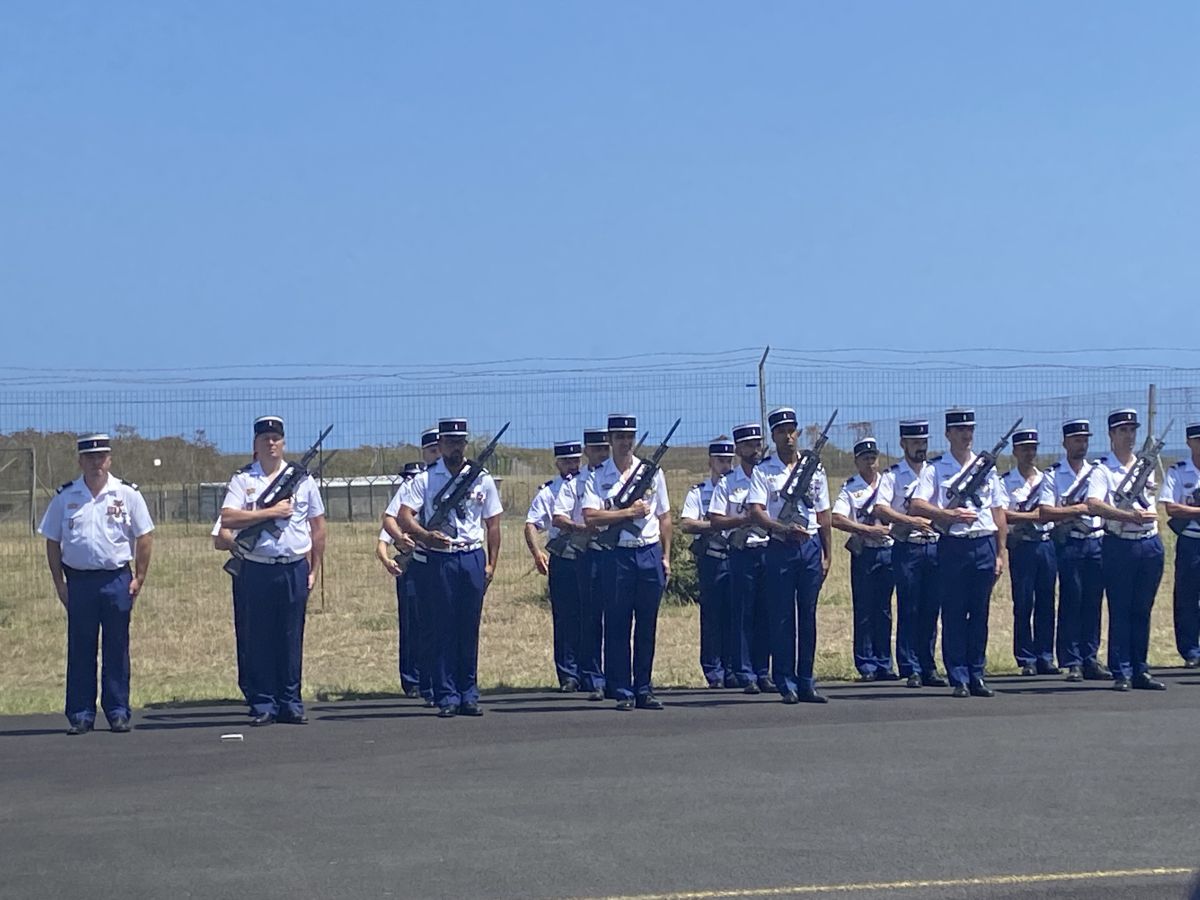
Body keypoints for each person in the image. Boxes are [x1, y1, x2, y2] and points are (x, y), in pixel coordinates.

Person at [39, 433, 154, 735]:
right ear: (80, 461)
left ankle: (117, 711)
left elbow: (144, 536)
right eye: (89, 457)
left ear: (110, 459)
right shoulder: (66, 497)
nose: (96, 463)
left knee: (117, 647)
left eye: (101, 457)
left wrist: (139, 576)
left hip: (116, 578)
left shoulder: (127, 494)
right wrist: (58, 582)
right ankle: (81, 713)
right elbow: (52, 540)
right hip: (79, 582)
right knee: (81, 648)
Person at [220, 416, 326, 726]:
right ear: (255, 444)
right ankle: (263, 702)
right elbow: (227, 518)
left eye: (276, 438)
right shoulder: (243, 480)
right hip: (257, 568)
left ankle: (290, 701)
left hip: (293, 567)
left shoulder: (302, 480)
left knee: (291, 636)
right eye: (265, 438)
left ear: (283, 442)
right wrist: (270, 512)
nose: (271, 443)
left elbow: (318, 528)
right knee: (259, 636)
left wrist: (313, 569)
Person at [397, 417, 503, 717]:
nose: (455, 447)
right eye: (450, 442)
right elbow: (405, 516)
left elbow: (493, 524)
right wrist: (424, 536)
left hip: (471, 556)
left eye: (460, 442)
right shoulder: (425, 479)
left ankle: (468, 693)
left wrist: (492, 563)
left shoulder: (481, 478)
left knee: (468, 627)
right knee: (442, 627)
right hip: (439, 559)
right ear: (440, 445)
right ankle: (446, 695)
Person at [909, 408, 1008, 698]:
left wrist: (1001, 553)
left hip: (983, 543)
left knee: (980, 613)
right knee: (953, 612)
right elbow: (916, 504)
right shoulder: (935, 469)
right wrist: (946, 513)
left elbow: (998, 512)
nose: (967, 435)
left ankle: (977, 673)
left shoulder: (986, 468)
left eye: (970, 430)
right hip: (953, 544)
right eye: (961, 430)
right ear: (948, 434)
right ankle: (959, 676)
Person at [582, 414, 672, 710]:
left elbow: (664, 517)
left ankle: (643, 687)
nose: (625, 442)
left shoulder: (651, 472)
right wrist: (626, 514)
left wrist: (666, 556)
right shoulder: (597, 476)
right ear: (609, 440)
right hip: (616, 555)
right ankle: (621, 689)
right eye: (619, 436)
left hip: (647, 552)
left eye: (629, 436)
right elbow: (591, 516)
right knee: (618, 624)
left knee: (647, 623)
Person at [746, 407, 833, 704]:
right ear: (774, 435)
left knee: (807, 615)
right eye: (781, 431)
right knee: (782, 617)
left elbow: (823, 513)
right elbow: (756, 511)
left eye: (792, 430)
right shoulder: (763, 471)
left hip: (808, 547)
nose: (788, 436)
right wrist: (780, 527)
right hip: (780, 546)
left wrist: (827, 554)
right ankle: (785, 681)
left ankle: (806, 680)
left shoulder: (814, 469)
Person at [1086, 409, 1165, 691]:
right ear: (1111, 435)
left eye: (1132, 430)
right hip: (1120, 543)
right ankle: (1122, 670)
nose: (1129, 436)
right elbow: (1093, 504)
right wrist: (1126, 516)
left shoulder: (1147, 464)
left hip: (1149, 542)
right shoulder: (1103, 469)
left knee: (1143, 609)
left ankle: (1141, 668)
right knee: (1121, 608)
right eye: (1123, 431)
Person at [874, 420, 945, 689]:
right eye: (915, 443)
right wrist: (908, 520)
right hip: (907, 546)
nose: (920, 448)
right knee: (909, 607)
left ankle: (929, 665)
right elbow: (880, 509)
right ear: (903, 444)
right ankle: (910, 666)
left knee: (931, 608)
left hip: (935, 545)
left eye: (924, 443)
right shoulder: (893, 475)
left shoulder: (937, 471)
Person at [1038, 420, 1109, 682]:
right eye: (1077, 440)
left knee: (1093, 601)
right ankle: (1072, 661)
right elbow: (1046, 511)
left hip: (1096, 540)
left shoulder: (1099, 472)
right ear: (1065, 442)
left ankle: (1090, 657)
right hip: (1070, 542)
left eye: (1085, 439)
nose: (1082, 444)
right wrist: (1077, 510)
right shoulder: (1054, 474)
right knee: (1071, 600)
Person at [708, 422, 774, 693]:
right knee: (742, 614)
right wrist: (743, 520)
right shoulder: (728, 483)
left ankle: (763, 671)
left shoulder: (769, 477)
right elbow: (715, 519)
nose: (754, 450)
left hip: (768, 549)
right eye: (748, 445)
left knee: (766, 614)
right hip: (741, 552)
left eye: (757, 444)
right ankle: (744, 671)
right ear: (738, 449)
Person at [831, 436, 897, 682]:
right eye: (865, 459)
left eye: (873, 458)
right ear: (857, 462)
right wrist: (865, 530)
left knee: (884, 609)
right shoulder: (851, 488)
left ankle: (885, 663)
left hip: (889, 549)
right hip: (865, 552)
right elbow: (837, 518)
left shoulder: (888, 484)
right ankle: (866, 664)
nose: (870, 463)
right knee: (864, 609)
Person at [552, 428, 611, 700]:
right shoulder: (575, 482)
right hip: (586, 553)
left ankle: (611, 674)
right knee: (586, 616)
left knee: (614, 617)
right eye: (597, 449)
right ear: (587, 451)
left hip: (615, 553)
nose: (602, 454)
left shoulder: (617, 477)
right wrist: (582, 528)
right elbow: (559, 516)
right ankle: (588, 674)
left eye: (605, 449)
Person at [524, 441, 584, 691]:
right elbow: (531, 524)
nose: (572, 465)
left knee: (590, 616)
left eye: (575, 461)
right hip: (563, 559)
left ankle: (590, 670)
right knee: (565, 617)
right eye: (567, 461)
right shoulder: (549, 491)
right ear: (557, 463)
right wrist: (538, 553)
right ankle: (568, 674)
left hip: (590, 555)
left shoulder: (589, 484)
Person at [1001, 429, 1060, 676]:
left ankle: (1046, 656)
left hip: (1046, 543)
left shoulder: (1047, 479)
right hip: (1022, 545)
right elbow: (1003, 514)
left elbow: (1052, 511)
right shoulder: (1005, 481)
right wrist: (1032, 515)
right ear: (1015, 451)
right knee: (1023, 602)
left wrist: (1031, 516)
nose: (1029, 453)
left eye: (1033, 448)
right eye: (1024, 448)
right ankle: (1026, 658)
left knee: (1046, 602)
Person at [679, 438, 736, 688]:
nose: (725, 465)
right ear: (710, 462)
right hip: (712, 559)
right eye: (720, 461)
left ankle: (735, 668)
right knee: (712, 617)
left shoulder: (740, 489)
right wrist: (714, 525)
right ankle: (714, 671)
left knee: (737, 615)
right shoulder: (699, 492)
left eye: (728, 461)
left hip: (737, 557)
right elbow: (687, 523)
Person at [378, 461, 424, 699]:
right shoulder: (399, 508)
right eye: (407, 477)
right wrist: (388, 561)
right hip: (409, 567)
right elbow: (383, 541)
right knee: (410, 624)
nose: (410, 480)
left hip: (430, 563)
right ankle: (411, 679)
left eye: (413, 476)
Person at [1158, 422, 1200, 669]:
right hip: (1191, 541)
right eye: (1198, 440)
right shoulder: (1179, 471)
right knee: (1187, 598)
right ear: (1189, 443)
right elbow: (1170, 507)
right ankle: (1191, 651)